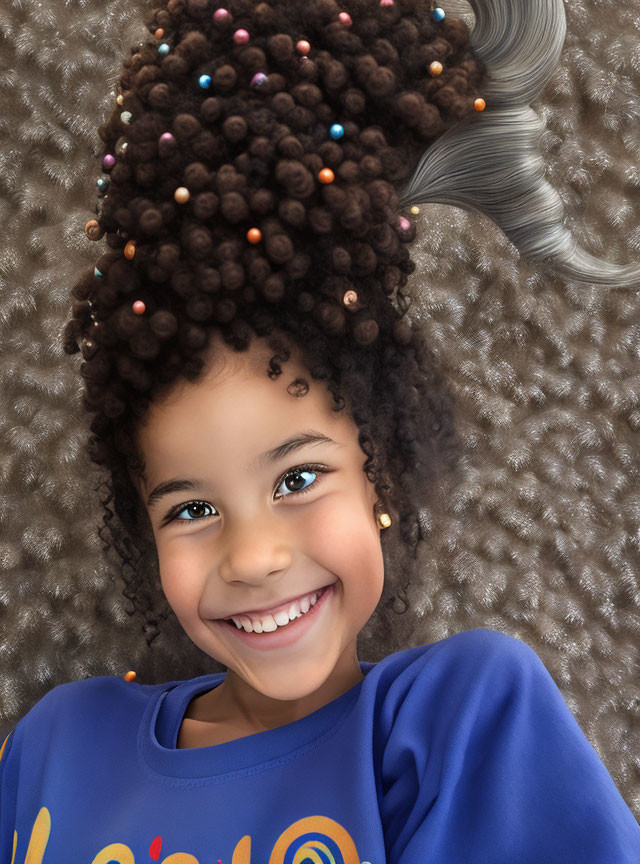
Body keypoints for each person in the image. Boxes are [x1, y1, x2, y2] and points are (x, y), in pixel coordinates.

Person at [1, 0, 639, 860]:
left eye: (297, 479)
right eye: (190, 507)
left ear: (387, 470)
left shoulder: (457, 722)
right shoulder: (55, 747)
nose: (254, 555)